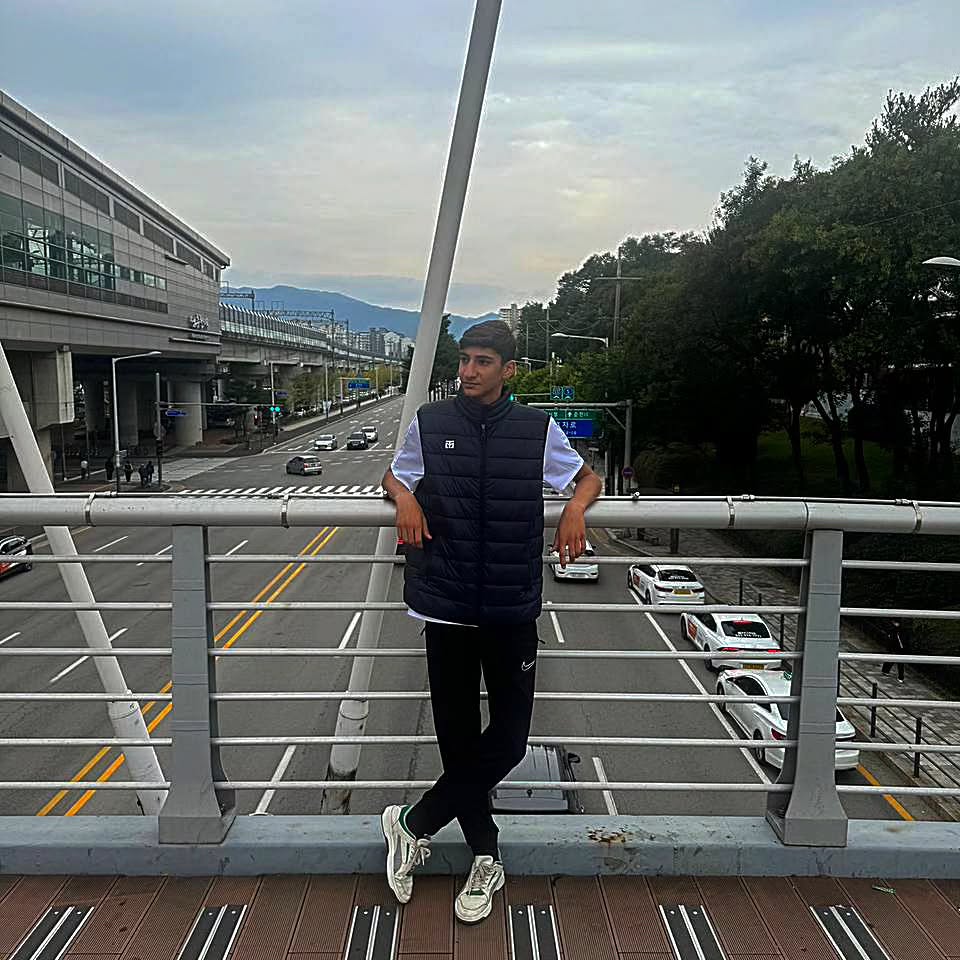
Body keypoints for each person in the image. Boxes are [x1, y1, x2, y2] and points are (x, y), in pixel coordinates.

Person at [379, 319, 602, 924]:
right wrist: (404, 498)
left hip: (510, 606)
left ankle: (412, 823)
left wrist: (575, 510)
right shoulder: (432, 422)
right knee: (457, 741)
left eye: (482, 362)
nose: (468, 372)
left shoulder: (535, 428)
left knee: (508, 739)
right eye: (464, 360)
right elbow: (395, 473)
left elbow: (587, 478)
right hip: (444, 604)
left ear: (508, 370)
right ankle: (486, 856)